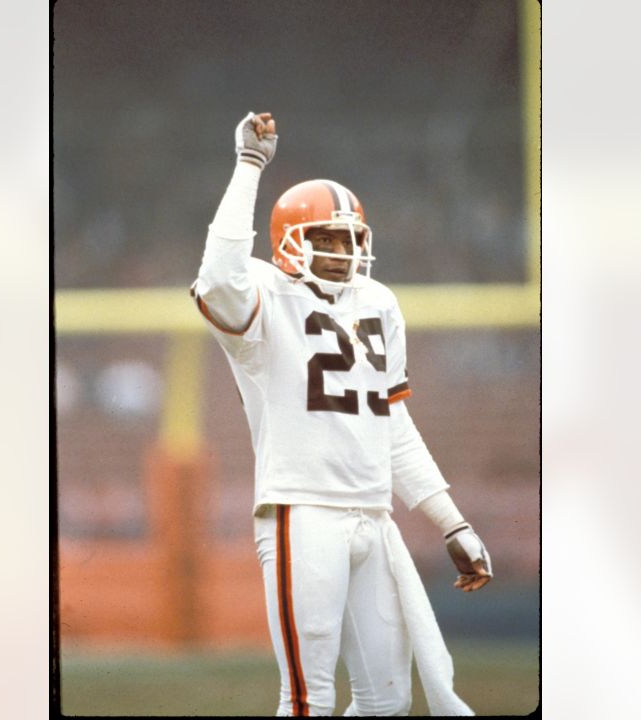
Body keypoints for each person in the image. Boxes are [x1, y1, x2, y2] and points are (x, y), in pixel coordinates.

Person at [192, 111, 493, 717]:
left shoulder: (378, 301)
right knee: (309, 697)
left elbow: (393, 428)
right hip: (302, 511)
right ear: (288, 242)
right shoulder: (265, 296)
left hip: (373, 516)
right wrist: (249, 166)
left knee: (388, 701)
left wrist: (451, 522)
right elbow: (218, 276)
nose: (340, 251)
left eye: (349, 238)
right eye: (324, 239)